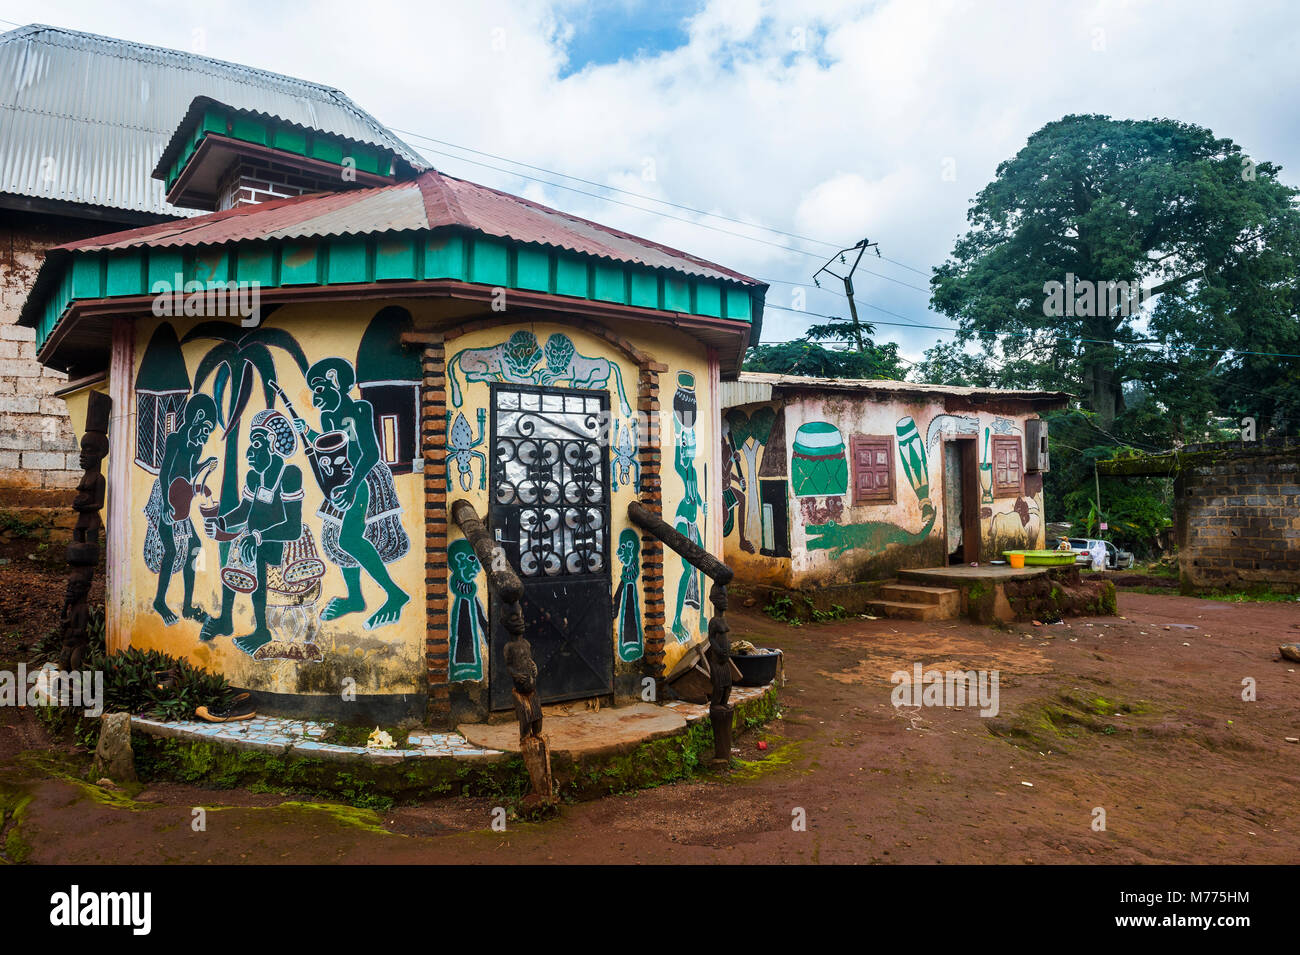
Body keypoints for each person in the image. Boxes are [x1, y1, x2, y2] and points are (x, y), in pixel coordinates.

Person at [294, 357, 410, 631]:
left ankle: (394, 593)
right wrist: (308, 432)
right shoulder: (327, 416)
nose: (315, 397)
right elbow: (330, 447)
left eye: (320, 389)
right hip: (341, 478)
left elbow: (370, 452)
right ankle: (356, 597)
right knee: (337, 537)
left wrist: (352, 485)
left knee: (348, 537)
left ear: (336, 381)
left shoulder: (360, 409)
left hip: (364, 476)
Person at [205, 410, 304, 656]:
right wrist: (220, 522)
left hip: (280, 543)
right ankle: (226, 619)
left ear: (272, 443)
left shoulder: (289, 475)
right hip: (255, 540)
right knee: (237, 545)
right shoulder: (254, 476)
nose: (250, 451)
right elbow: (243, 512)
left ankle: (262, 630)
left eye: (256, 444)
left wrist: (257, 536)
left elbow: (293, 528)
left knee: (253, 548)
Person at [145, 393, 218, 625]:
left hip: (181, 498)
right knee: (172, 549)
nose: (206, 437)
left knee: (195, 546)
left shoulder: (196, 447)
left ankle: (187, 606)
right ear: (197, 417)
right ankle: (159, 601)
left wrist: (205, 465)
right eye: (206, 429)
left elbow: (189, 472)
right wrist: (166, 504)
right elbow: (165, 472)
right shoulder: (175, 439)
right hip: (165, 496)